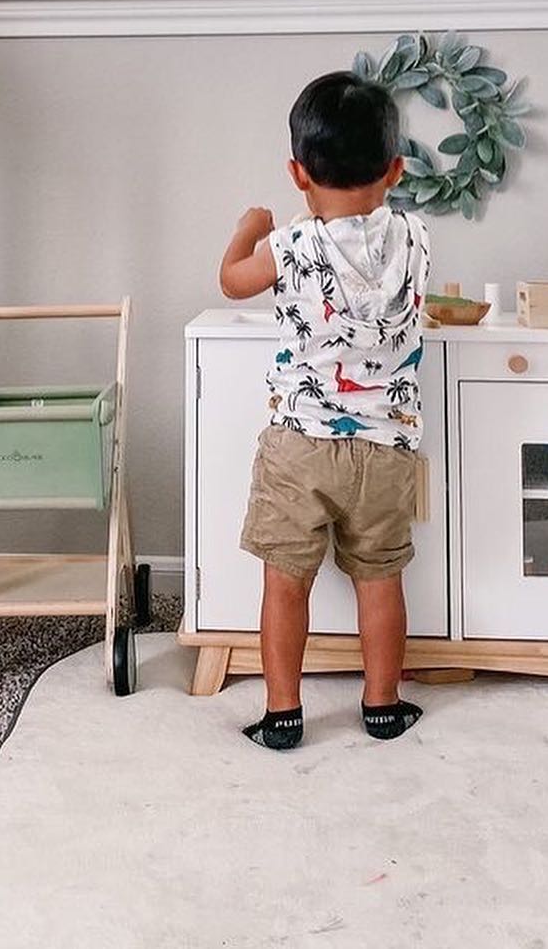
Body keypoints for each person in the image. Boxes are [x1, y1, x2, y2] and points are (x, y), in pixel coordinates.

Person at [218, 71, 431, 750]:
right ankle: (383, 705)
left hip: (300, 445)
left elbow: (229, 283)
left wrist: (249, 231)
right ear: (396, 169)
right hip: (386, 446)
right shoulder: (417, 238)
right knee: (380, 579)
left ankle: (284, 714)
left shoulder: (291, 246)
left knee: (285, 583)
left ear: (296, 172)